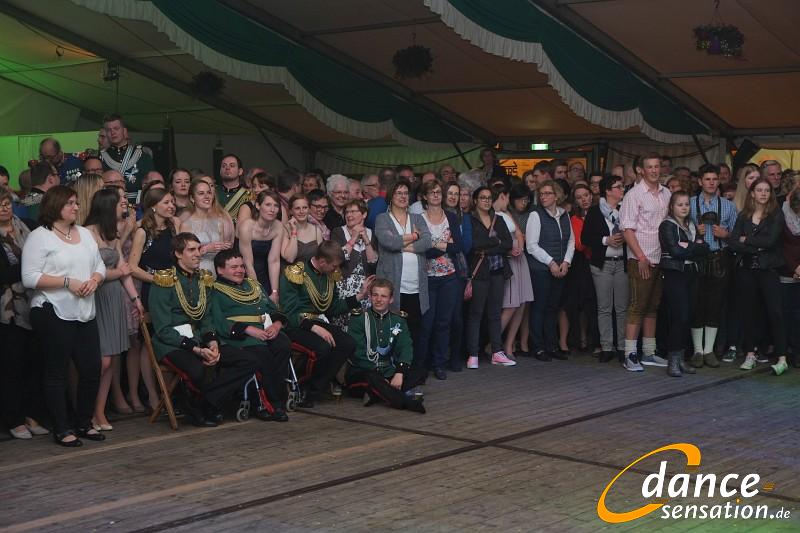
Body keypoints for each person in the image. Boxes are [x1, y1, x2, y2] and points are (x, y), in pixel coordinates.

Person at [22, 185, 107, 446]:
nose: (76, 207)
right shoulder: (40, 237)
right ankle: (61, 428)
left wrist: (95, 279)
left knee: (92, 369)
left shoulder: (84, 233)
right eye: (70, 203)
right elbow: (29, 278)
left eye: (76, 202)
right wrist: (67, 282)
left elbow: (99, 264)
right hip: (53, 310)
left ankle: (84, 422)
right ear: (55, 205)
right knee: (56, 372)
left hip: (85, 311)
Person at [149, 232, 259, 426]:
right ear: (178, 254)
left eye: (199, 249)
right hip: (172, 343)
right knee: (198, 369)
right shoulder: (164, 280)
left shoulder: (203, 280)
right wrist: (197, 350)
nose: (198, 254)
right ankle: (202, 407)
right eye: (191, 250)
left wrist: (213, 343)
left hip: (200, 338)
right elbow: (163, 329)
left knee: (248, 360)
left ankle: (204, 402)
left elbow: (206, 318)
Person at [279, 240, 371, 407]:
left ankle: (314, 388)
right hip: (296, 325)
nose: (336, 270)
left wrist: (360, 296)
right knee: (322, 347)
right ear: (322, 262)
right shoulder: (296, 273)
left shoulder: (328, 276)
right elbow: (288, 313)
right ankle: (301, 386)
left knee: (347, 343)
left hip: (316, 322)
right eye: (334, 266)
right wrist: (313, 327)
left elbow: (332, 308)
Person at [84, 189, 144, 430]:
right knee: (102, 361)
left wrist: (135, 299)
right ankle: (87, 411)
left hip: (114, 298)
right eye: (120, 203)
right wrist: (117, 272)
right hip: (95, 298)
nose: (125, 206)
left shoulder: (113, 234)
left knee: (112, 358)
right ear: (107, 207)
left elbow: (124, 269)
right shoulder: (87, 233)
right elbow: (89, 273)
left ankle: (99, 413)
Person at [209, 249, 291, 421]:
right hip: (240, 337)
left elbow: (273, 309)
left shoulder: (253, 286)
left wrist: (276, 325)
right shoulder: (215, 291)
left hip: (265, 330)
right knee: (263, 354)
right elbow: (218, 322)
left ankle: (278, 397)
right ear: (220, 270)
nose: (240, 270)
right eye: (234, 267)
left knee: (282, 345)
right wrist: (248, 329)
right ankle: (268, 404)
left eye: (242, 266)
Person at [0, 189, 48, 439]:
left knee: (35, 363)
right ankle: (14, 419)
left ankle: (33, 415)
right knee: (12, 367)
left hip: (34, 302)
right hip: (8, 309)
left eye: (6, 203)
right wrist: (29, 267)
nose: (4, 208)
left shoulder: (28, 226)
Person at [728, 178, 788, 374]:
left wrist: (747, 240)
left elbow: (770, 242)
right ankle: (750, 354)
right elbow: (733, 242)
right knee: (749, 313)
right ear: (752, 193)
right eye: (759, 190)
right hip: (746, 270)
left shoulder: (776, 214)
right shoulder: (744, 215)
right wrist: (756, 246)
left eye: (767, 190)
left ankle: (782, 358)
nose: (763, 193)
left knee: (775, 313)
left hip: (768, 270)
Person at [619, 154, 671, 371]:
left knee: (652, 306)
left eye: (657, 166)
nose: (654, 170)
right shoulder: (634, 195)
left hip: (661, 258)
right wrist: (640, 257)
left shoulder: (667, 193)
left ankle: (649, 352)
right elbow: (627, 229)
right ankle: (630, 355)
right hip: (641, 258)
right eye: (650, 167)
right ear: (641, 170)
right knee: (637, 306)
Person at [129, 188, 178, 412]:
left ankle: (171, 393)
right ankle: (152, 394)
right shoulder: (143, 232)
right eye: (166, 202)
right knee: (150, 341)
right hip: (153, 289)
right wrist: (157, 279)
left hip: (173, 289)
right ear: (153, 206)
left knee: (171, 337)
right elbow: (132, 266)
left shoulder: (173, 227)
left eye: (172, 202)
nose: (171, 206)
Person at [346, 279, 426, 413]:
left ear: (391, 299)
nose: (379, 300)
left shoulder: (398, 320)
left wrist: (399, 373)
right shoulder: (359, 318)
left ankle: (376, 394)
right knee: (371, 378)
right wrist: (380, 377)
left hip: (389, 370)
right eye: (375, 295)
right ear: (370, 297)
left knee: (420, 372)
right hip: (365, 371)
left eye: (383, 296)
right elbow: (357, 353)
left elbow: (406, 347)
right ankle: (404, 401)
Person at [688, 164, 737, 368]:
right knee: (696, 304)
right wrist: (694, 232)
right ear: (700, 181)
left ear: (719, 181)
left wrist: (726, 234)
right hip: (696, 259)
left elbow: (737, 236)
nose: (711, 183)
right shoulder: (689, 203)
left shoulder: (728, 206)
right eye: (707, 179)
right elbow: (677, 232)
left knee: (715, 305)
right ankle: (697, 351)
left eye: (714, 179)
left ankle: (709, 350)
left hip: (720, 258)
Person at [374, 180, 432, 345]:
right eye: (399, 193)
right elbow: (389, 242)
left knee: (414, 333)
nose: (403, 196)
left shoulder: (417, 218)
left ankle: (411, 362)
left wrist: (404, 246)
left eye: (406, 193)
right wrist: (414, 236)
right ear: (391, 196)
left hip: (416, 287)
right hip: (392, 286)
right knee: (391, 333)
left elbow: (427, 241)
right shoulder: (382, 219)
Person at [659, 191, 709, 377]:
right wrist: (695, 248)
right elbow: (675, 252)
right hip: (675, 274)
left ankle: (681, 359)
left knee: (688, 317)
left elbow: (705, 248)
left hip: (691, 272)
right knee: (679, 316)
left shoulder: (691, 224)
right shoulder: (667, 225)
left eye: (687, 204)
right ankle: (672, 361)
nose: (684, 207)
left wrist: (690, 246)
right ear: (672, 207)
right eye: (680, 204)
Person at [417, 180, 463, 379]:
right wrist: (443, 244)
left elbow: (458, 246)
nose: (436, 195)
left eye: (438, 192)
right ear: (424, 196)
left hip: (449, 277)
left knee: (444, 323)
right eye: (431, 192)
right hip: (426, 278)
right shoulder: (418, 219)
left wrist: (433, 243)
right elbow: (422, 250)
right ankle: (421, 365)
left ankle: (439, 364)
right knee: (426, 323)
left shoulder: (451, 217)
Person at [466, 186, 514, 368]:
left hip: (497, 271)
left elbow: (507, 244)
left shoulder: (498, 219)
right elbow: (473, 244)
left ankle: (497, 352)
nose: (486, 201)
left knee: (494, 313)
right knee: (476, 314)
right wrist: (495, 241)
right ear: (475, 200)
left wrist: (487, 248)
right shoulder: (469, 220)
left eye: (488, 198)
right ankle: (473, 354)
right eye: (482, 197)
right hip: (479, 272)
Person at [526, 180, 574, 361]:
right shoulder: (535, 215)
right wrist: (551, 262)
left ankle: (551, 345)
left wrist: (566, 262)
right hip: (541, 269)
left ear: (556, 196)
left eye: (548, 193)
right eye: (541, 194)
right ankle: (538, 347)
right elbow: (531, 246)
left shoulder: (564, 214)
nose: (543, 197)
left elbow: (570, 241)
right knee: (539, 307)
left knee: (553, 307)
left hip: (560, 268)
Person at [583, 175, 628, 363]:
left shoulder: (626, 209)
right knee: (604, 307)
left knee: (622, 307)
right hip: (603, 263)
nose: (622, 190)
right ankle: (606, 346)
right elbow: (585, 238)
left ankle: (623, 347)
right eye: (618, 187)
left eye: (622, 186)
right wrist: (605, 240)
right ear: (608, 191)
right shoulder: (595, 212)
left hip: (623, 262)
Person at [493, 183, 534, 361]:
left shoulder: (507, 212)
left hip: (519, 258)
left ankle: (509, 344)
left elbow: (518, 233)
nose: (508, 201)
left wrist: (520, 247)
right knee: (510, 304)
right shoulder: (492, 214)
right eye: (507, 197)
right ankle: (494, 343)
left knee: (521, 303)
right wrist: (510, 250)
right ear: (502, 196)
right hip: (507, 259)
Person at [558, 183, 598, 354]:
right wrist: (598, 240)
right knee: (579, 303)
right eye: (579, 197)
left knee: (595, 303)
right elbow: (580, 244)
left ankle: (595, 340)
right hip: (580, 264)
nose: (584, 200)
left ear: (591, 196)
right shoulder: (573, 219)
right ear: (575, 201)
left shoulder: (600, 214)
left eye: (586, 195)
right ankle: (580, 338)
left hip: (598, 261)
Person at [330, 199, 378, 330]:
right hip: (343, 285)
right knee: (344, 326)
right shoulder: (338, 232)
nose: (349, 215)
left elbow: (373, 262)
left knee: (364, 325)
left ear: (364, 214)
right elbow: (338, 258)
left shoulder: (371, 233)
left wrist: (366, 240)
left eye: (353, 211)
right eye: (347, 212)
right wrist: (353, 237)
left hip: (366, 287)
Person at [179, 178, 235, 274]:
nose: (207, 196)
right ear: (192, 198)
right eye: (201, 193)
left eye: (209, 192)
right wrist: (205, 249)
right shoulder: (186, 225)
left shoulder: (219, 222)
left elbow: (221, 255)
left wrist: (225, 248)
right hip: (196, 273)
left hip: (216, 272)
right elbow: (183, 258)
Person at [238, 190, 283, 302]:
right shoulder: (247, 226)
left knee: (273, 302)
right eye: (268, 205)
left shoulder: (278, 226)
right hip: (245, 273)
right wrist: (258, 292)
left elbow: (274, 261)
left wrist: (274, 292)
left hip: (266, 271)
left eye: (276, 206)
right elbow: (248, 263)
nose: (272, 209)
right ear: (258, 205)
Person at [100, 114, 154, 204]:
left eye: (116, 128)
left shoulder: (142, 155)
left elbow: (151, 185)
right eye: (109, 130)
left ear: (124, 131)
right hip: (110, 205)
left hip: (136, 205)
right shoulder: (101, 157)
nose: (113, 132)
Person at [779, 188, 800, 368]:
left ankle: (798, 352)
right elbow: (780, 245)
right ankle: (783, 352)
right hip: (786, 271)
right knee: (785, 313)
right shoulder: (782, 215)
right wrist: (795, 267)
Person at [282, 194, 323, 264]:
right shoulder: (284, 230)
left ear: (309, 209)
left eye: (305, 207)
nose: (301, 211)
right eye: (297, 208)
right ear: (291, 211)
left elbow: (320, 259)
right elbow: (290, 258)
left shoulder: (317, 230)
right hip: (289, 270)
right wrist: (294, 231)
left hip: (311, 270)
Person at [216, 154, 249, 223]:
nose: (227, 168)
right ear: (220, 171)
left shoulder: (248, 195)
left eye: (232, 165)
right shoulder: (212, 192)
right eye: (224, 166)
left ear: (240, 171)